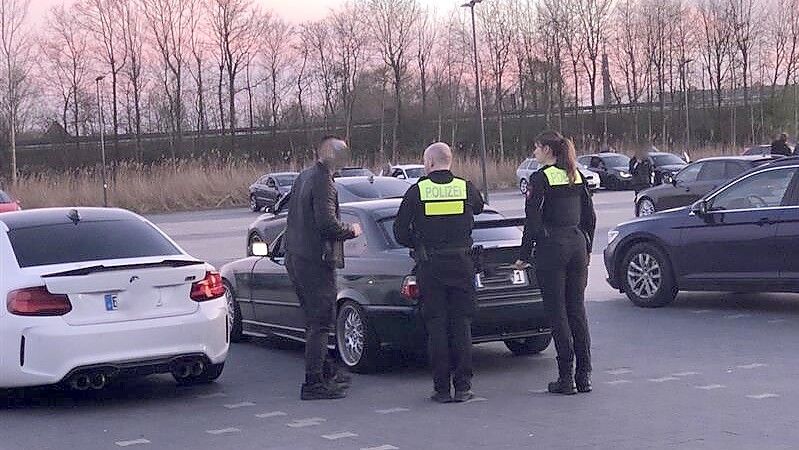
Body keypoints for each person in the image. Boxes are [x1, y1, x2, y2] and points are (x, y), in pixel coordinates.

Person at [393, 142, 485, 404]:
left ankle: (442, 389)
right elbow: (478, 207)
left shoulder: (417, 191)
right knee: (461, 325)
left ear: (430, 163)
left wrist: (418, 243)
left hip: (431, 265)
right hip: (462, 263)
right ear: (450, 161)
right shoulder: (464, 187)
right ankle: (464, 386)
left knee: (437, 327)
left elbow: (400, 231)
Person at [513, 130, 596, 395]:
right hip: (577, 245)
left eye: (536, 148)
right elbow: (590, 217)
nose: (534, 152)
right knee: (577, 310)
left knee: (557, 311)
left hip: (553, 248)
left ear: (548, 150)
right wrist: (587, 248)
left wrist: (524, 256)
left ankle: (565, 378)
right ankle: (584, 375)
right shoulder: (576, 174)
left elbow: (532, 221)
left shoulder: (540, 178)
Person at [285, 135, 363, 401]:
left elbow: (294, 217)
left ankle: (326, 370)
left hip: (295, 257)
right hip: (315, 260)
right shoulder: (323, 183)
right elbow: (327, 224)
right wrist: (351, 230)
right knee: (321, 321)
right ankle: (314, 382)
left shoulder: (303, 177)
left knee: (312, 319)